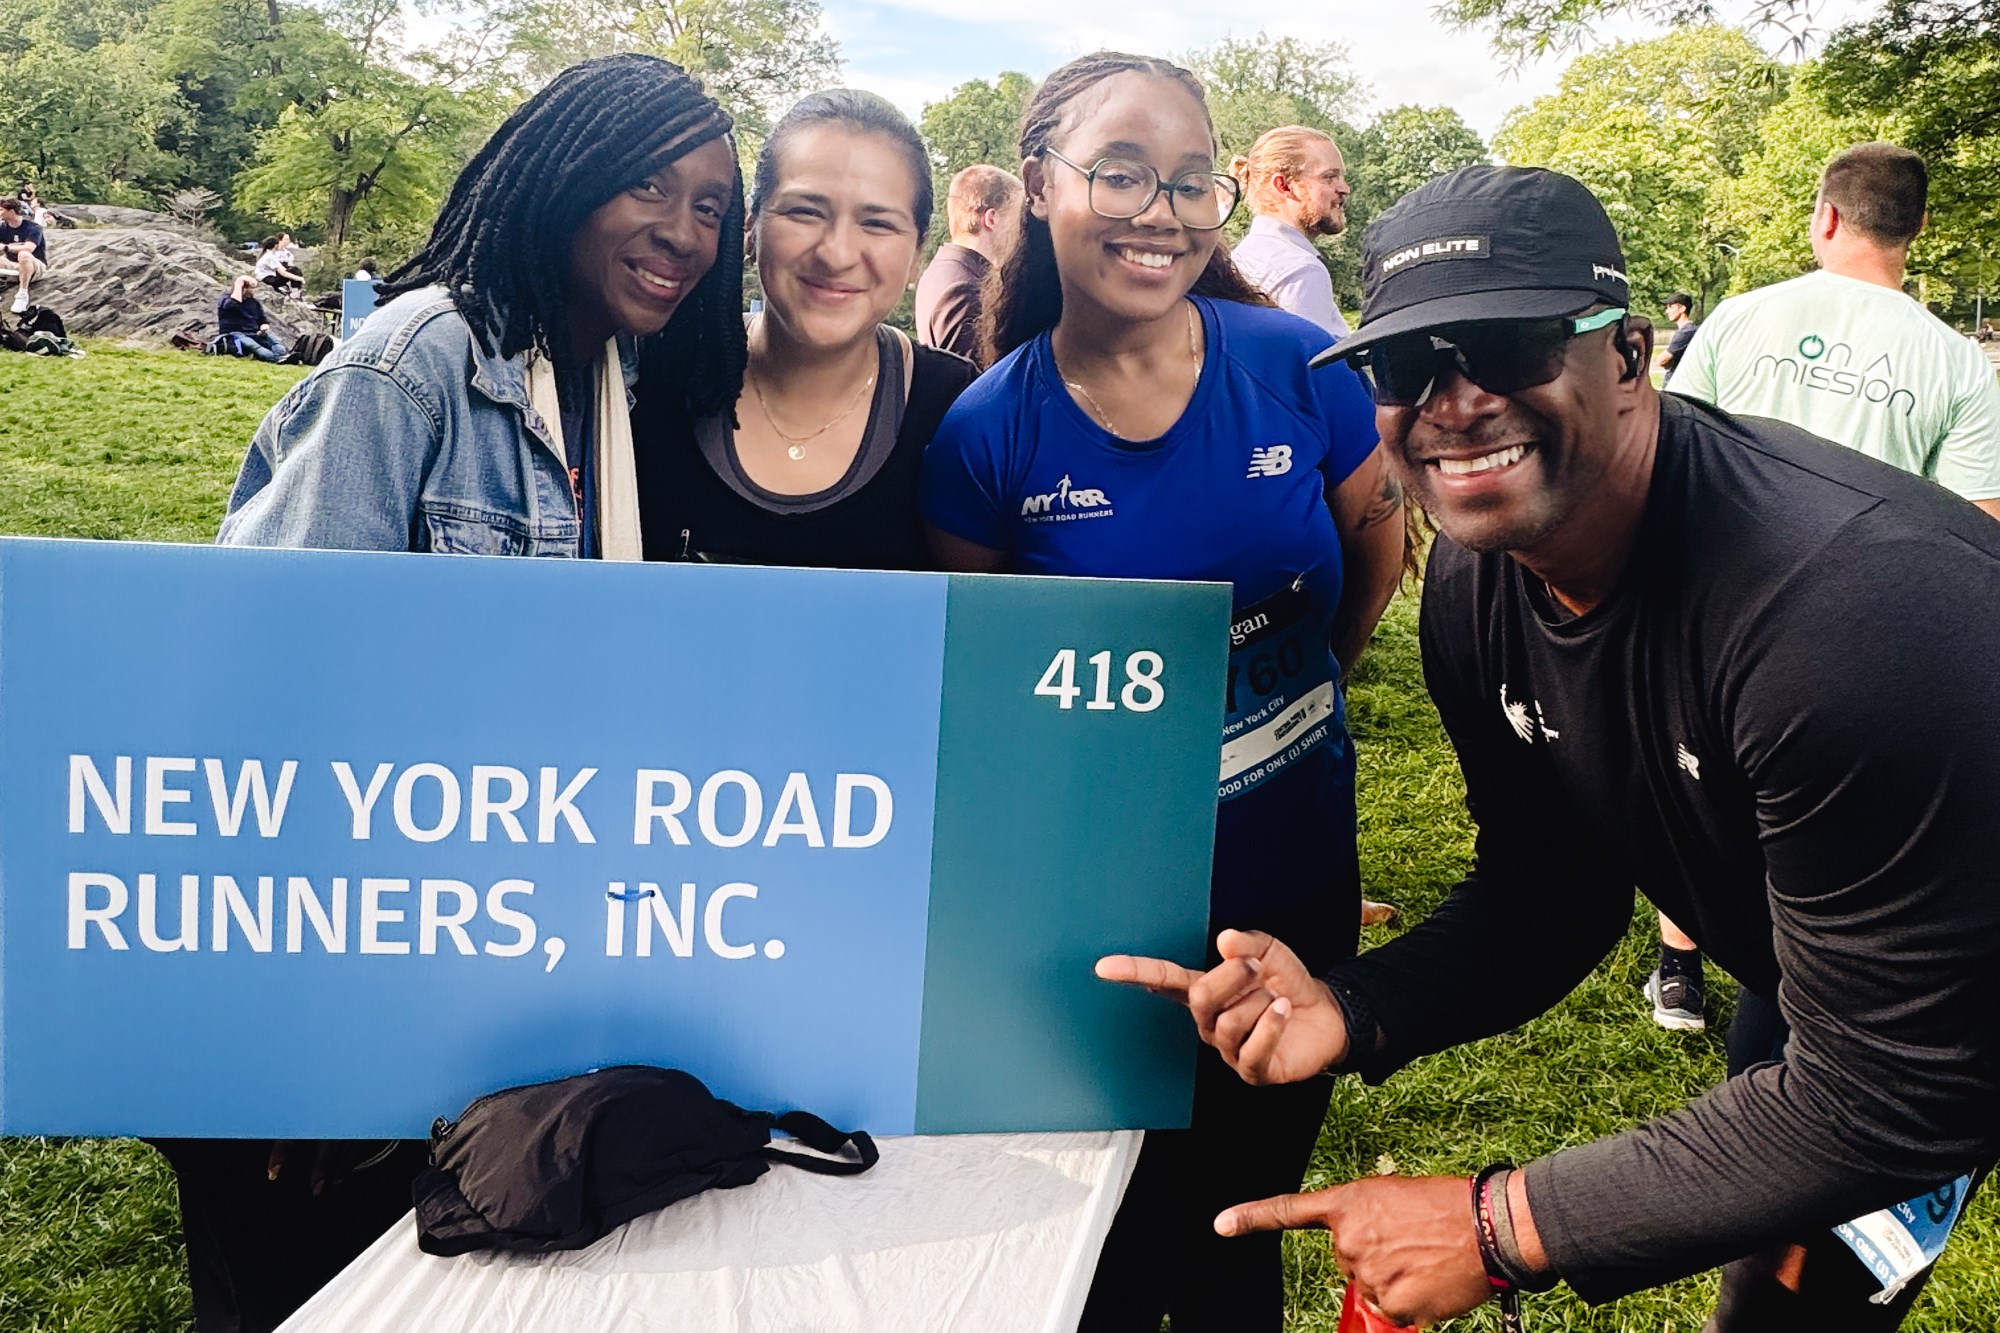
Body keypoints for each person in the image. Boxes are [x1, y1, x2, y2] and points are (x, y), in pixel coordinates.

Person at [1099, 164, 2000, 1332]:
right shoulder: (1479, 577)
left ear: (1626, 355)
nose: (1452, 401)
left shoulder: (1851, 618)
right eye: (1405, 365)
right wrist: (1353, 1006)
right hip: (1830, 976)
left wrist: (1497, 1225)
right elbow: (1549, 890)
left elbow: (1897, 1090)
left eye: (1507, 345)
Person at [200, 55, 743, 1333]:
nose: (682, 231)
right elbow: (268, 700)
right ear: (556, 177)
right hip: (331, 972)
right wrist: (297, 1048)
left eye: (713, 206)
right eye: (644, 186)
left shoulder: (606, 378)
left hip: (473, 939)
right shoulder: (413, 366)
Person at [922, 52, 1405, 1332]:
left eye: (1191, 181)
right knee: (1098, 1244)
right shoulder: (988, 430)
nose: (1162, 211)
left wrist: (1286, 713)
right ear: (1040, 185)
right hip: (1081, 921)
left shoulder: (1300, 369)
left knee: (1237, 1225)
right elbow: (975, 687)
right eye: (1121, 173)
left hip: (1292, 886)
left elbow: (1374, 550)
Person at [636, 90, 975, 569]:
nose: (836, 253)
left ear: (918, 253)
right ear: (750, 227)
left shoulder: (958, 410)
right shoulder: (645, 381)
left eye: (877, 223)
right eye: (805, 212)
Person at [1670, 143, 2000, 520]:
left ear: (1827, 217)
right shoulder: (1961, 362)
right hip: (1870, 574)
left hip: (1727, 565)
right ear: (1920, 225)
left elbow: (1675, 449)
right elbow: (1982, 523)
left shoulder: (1738, 315)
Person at [1227, 125, 1353, 338]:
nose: (1344, 188)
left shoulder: (1239, 260)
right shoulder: (1300, 272)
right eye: (1329, 177)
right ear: (1284, 186)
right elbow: (1305, 369)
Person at [913, 164, 1021, 364]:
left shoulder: (943, 270)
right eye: (1016, 219)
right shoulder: (965, 289)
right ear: (992, 219)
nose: (1021, 231)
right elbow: (973, 386)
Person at [216, 274, 290, 362]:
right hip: (234, 334)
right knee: (253, 346)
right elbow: (233, 304)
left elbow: (262, 320)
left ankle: (282, 356)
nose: (249, 290)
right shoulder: (226, 299)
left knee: (275, 341)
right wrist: (239, 283)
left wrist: (263, 327)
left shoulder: (254, 302)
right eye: (246, 287)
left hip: (255, 333)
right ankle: (274, 358)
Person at [0, 195, 48, 314]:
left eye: (1, 210)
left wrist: (6, 247)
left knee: (24, 254)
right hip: (13, 266)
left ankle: (22, 294)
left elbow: (29, 248)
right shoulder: (2, 228)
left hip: (34, 266)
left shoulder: (33, 228)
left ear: (11, 212)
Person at [1654, 290, 1697, 383]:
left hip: (1676, 385)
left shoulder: (1686, 332)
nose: (1667, 311)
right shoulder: (1688, 330)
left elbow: (1661, 361)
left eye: (1670, 307)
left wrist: (1667, 361)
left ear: (1682, 309)